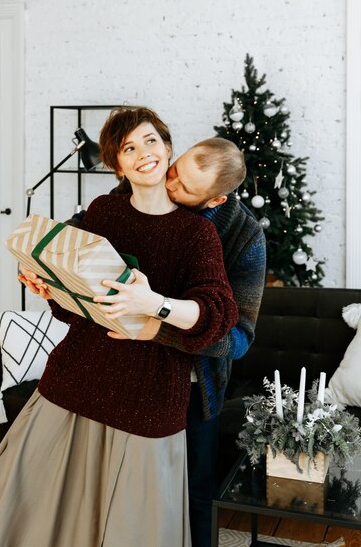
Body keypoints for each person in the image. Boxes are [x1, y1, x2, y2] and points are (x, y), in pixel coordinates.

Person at [0, 108, 237, 547]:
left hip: (149, 400)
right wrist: (50, 286)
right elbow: (76, 310)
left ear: (167, 148)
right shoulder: (102, 211)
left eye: (151, 141)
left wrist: (154, 305)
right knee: (27, 509)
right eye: (129, 148)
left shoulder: (197, 234)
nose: (144, 153)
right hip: (75, 381)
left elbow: (218, 318)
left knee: (134, 529)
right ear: (116, 164)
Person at [89, 136, 266, 547]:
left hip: (193, 387)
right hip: (122, 369)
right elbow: (86, 243)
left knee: (194, 493)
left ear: (216, 201)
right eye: (175, 170)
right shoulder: (137, 190)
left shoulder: (244, 237)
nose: (169, 185)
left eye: (186, 188)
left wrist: (160, 327)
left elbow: (239, 339)